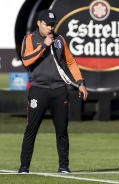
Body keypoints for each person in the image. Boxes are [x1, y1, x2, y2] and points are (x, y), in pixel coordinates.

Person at [18, 9, 88, 174]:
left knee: (62, 129)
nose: (50, 28)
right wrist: (44, 45)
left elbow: (70, 62)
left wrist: (81, 83)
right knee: (31, 129)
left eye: (52, 24)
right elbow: (26, 60)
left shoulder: (60, 40)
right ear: (39, 23)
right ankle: (24, 167)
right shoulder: (29, 38)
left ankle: (63, 166)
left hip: (59, 89)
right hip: (38, 90)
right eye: (47, 24)